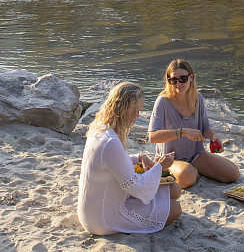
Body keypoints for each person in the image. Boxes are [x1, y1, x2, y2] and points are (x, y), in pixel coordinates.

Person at [78, 82, 182, 235]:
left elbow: (112, 161)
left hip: (94, 209)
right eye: (136, 111)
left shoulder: (100, 128)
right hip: (102, 219)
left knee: (174, 189)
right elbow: (136, 186)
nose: (138, 116)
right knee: (176, 209)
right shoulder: (109, 142)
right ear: (125, 108)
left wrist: (139, 157)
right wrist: (160, 166)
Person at [148, 59, 240, 188]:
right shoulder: (162, 101)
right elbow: (152, 136)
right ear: (168, 80)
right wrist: (183, 132)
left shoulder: (198, 98)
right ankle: (189, 171)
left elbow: (205, 128)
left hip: (196, 155)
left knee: (233, 174)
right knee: (188, 178)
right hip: (170, 158)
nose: (178, 83)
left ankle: (193, 170)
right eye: (173, 80)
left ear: (191, 77)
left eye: (183, 79)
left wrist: (213, 136)